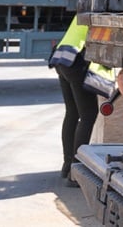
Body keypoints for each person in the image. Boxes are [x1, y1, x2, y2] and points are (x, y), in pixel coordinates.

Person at [49, 15, 99, 183]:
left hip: (61, 58)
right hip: (76, 60)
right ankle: (75, 172)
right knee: (88, 115)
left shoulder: (85, 10)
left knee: (72, 113)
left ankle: (67, 165)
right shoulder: (100, 13)